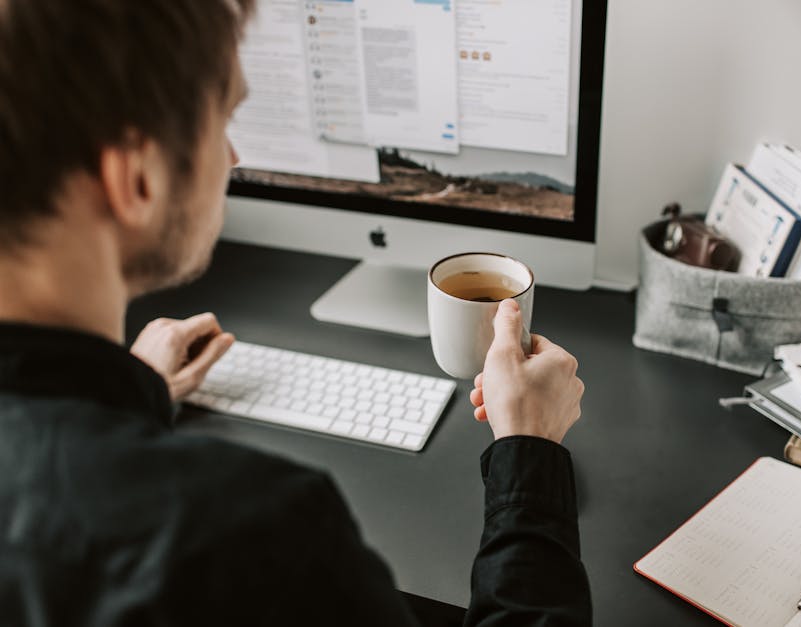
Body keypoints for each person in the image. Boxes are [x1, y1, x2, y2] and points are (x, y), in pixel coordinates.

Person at [0, 1, 590, 625]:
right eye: (222, 119)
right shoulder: (256, 534)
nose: (231, 158)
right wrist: (529, 449)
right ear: (138, 176)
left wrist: (122, 392)